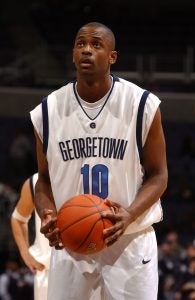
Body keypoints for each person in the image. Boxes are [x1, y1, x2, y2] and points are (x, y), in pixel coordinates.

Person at [30, 22, 168, 300]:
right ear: (72, 54)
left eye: (96, 44)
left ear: (112, 57)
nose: (87, 51)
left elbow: (159, 175)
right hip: (71, 243)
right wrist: (48, 213)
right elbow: (43, 181)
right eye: (81, 44)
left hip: (128, 241)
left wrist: (129, 214)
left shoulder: (141, 104)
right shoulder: (47, 111)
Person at [11, 173, 51, 300]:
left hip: (87, 271)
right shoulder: (35, 181)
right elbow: (18, 219)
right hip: (48, 276)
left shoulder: (85, 174)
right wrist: (26, 254)